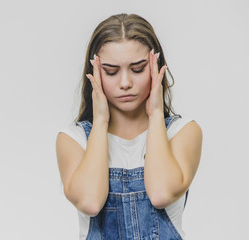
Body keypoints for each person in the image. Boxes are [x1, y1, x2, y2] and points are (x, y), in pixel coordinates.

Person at [56, 13, 202, 240]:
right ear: (94, 73)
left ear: (156, 67)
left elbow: (161, 194)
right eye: (111, 72)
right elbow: (90, 202)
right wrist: (101, 121)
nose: (125, 83)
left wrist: (155, 114)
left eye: (138, 69)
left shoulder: (182, 133)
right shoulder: (73, 140)